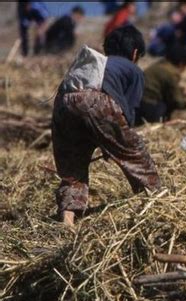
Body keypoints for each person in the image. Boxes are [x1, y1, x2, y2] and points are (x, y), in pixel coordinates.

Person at [52, 25, 161, 226]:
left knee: (72, 167)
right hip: (97, 101)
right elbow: (127, 113)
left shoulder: (94, 65)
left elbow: (77, 101)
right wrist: (116, 145)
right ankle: (156, 204)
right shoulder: (133, 69)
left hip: (63, 102)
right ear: (135, 53)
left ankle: (67, 222)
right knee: (136, 157)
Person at [138, 43, 186, 124]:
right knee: (166, 106)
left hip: (138, 103)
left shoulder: (160, 65)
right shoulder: (170, 73)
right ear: (181, 64)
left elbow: (169, 88)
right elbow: (177, 102)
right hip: (149, 106)